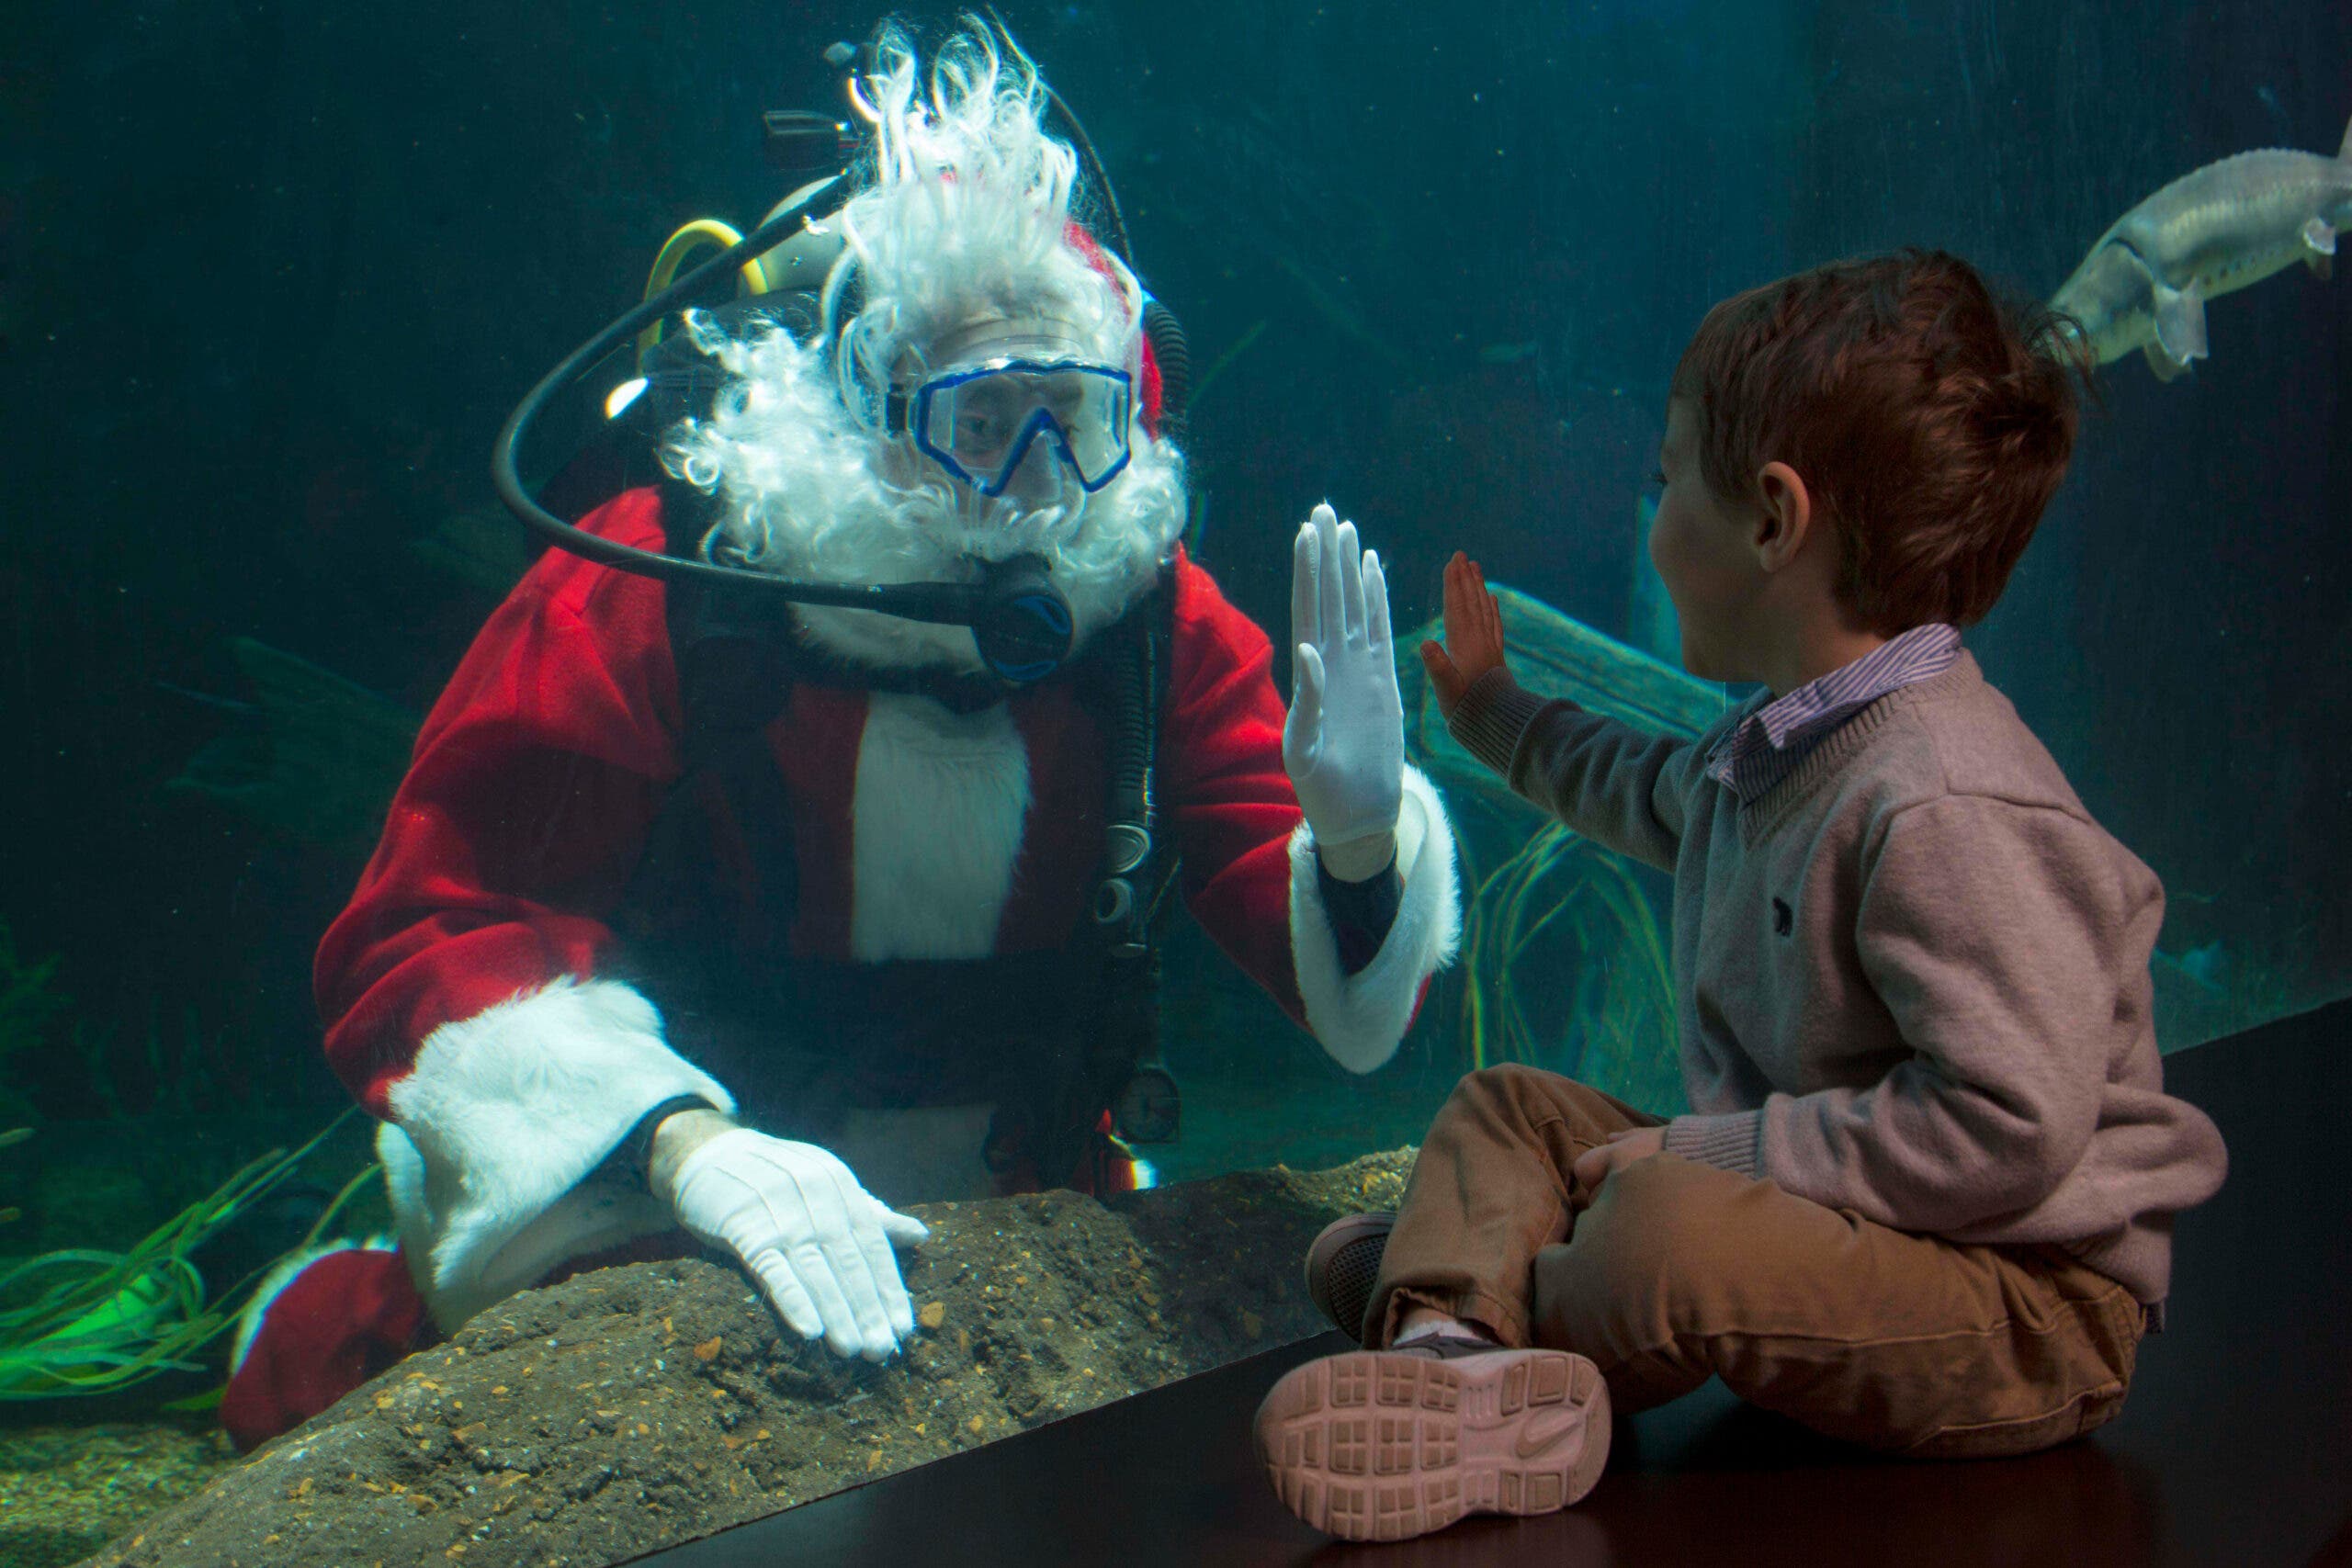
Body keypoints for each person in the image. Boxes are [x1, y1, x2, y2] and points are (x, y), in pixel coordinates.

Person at [219, 20, 1460, 1451]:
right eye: (981, 419)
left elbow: (1315, 943)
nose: (1037, 487)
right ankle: (312, 1319)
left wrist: (1362, 846)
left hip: (1028, 1201)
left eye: (1074, 418)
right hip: (674, 1193)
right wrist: (681, 1149)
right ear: (862, 407)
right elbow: (439, 924)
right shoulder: (666, 581)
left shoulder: (1139, 605)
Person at [1254, 249, 2230, 1542]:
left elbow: (2007, 1131)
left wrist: (1719, 1149)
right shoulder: (1781, 749)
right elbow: (1647, 787)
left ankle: (1482, 1300)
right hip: (1846, 1213)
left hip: (2020, 1299)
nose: (1648, 515)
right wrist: (1495, 719)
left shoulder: (1945, 801)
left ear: (1773, 520)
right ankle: (1452, 1339)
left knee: (1666, 1227)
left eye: (1667, 482)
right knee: (1511, 1107)